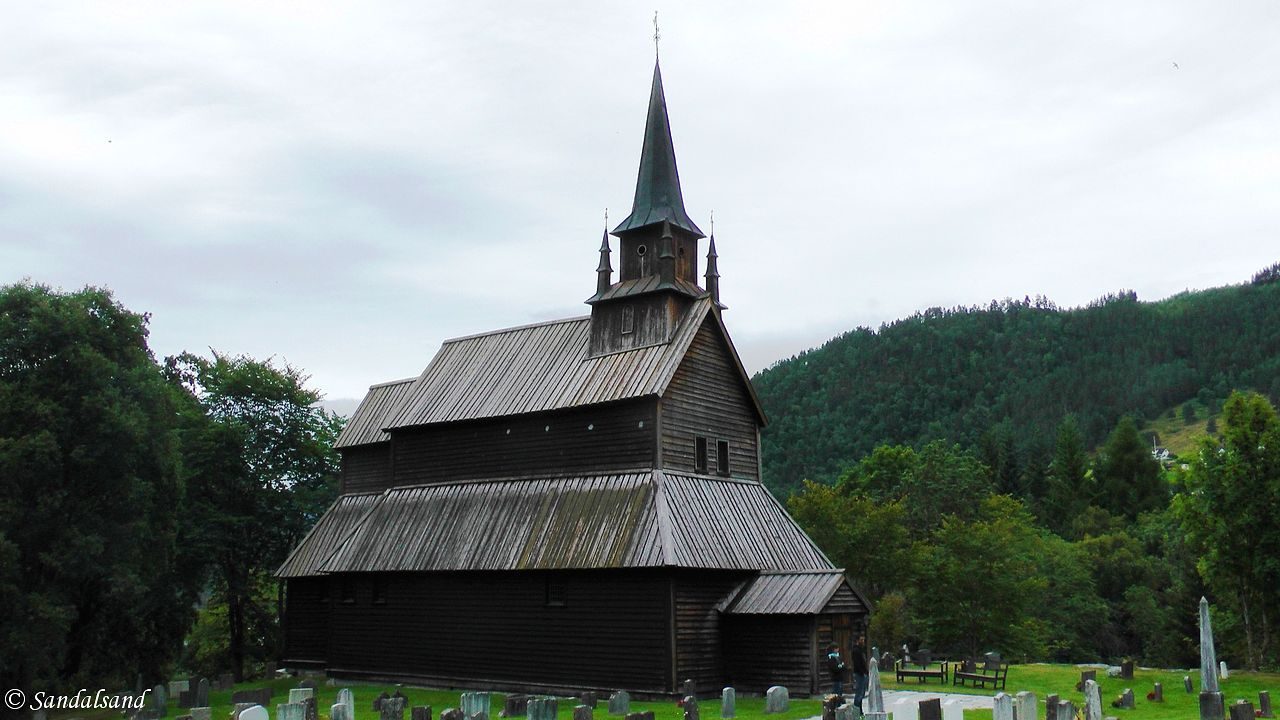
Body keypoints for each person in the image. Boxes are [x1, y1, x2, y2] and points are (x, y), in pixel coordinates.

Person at [851, 636, 870, 711]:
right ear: (857, 640)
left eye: (863, 640)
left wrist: (866, 672)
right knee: (859, 693)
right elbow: (857, 664)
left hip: (863, 674)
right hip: (859, 674)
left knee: (862, 693)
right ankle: (856, 710)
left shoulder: (861, 650)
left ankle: (860, 710)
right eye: (861, 640)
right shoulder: (856, 650)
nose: (863, 641)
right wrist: (862, 672)